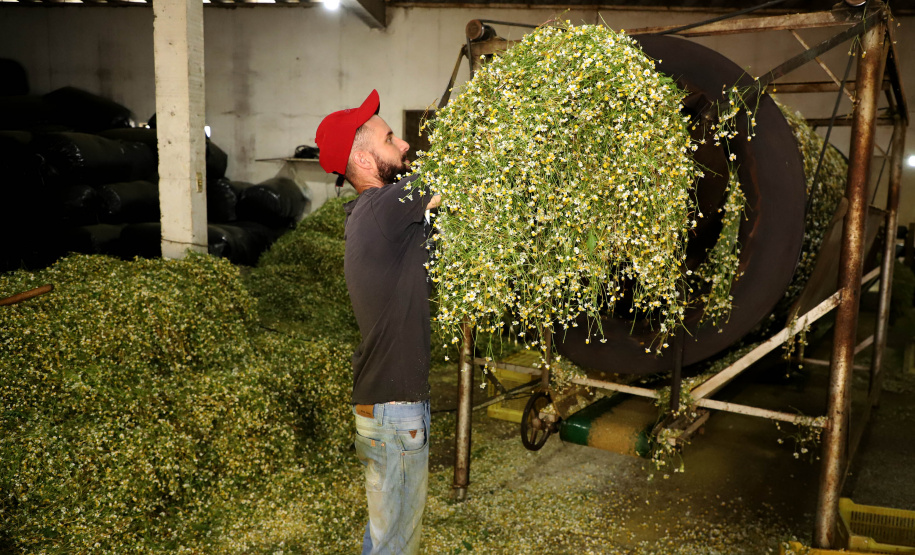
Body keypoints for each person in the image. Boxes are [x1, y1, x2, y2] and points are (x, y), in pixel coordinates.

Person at [315, 89, 441, 555]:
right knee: (397, 544)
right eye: (392, 139)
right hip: (395, 413)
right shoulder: (386, 204)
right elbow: (467, 179)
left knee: (384, 534)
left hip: (384, 409)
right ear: (366, 160)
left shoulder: (378, 215)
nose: (405, 144)